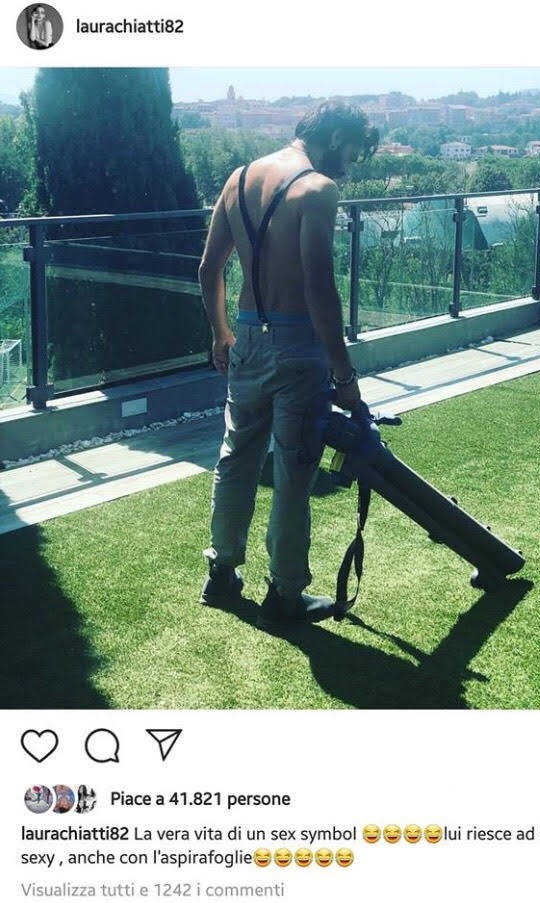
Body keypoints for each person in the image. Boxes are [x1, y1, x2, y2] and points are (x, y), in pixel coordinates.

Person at [198, 100, 378, 629]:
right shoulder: (317, 190)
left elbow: (209, 268)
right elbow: (319, 289)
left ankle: (222, 574)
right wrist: (344, 376)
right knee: (294, 474)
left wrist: (221, 333)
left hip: (246, 337)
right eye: (353, 152)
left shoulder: (239, 179)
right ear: (336, 136)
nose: (351, 165)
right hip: (298, 349)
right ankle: (285, 594)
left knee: (236, 459)